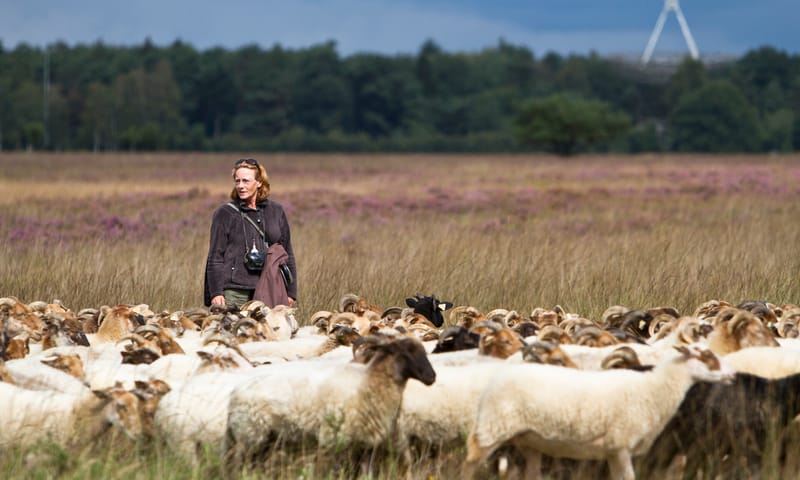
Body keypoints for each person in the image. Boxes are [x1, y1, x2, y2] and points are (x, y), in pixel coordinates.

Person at [204, 158, 297, 309]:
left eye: (246, 181)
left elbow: (287, 253)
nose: (240, 186)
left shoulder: (276, 211)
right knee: (233, 331)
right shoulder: (225, 213)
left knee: (267, 331)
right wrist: (216, 292)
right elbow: (215, 257)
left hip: (270, 286)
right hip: (234, 290)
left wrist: (291, 292)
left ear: (259, 182)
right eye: (237, 181)